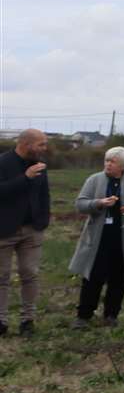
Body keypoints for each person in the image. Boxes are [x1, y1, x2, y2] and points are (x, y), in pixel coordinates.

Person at [69, 146, 124, 327]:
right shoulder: (94, 180)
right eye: (106, 160)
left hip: (123, 239)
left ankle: (111, 315)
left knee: (119, 278)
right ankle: (83, 315)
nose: (107, 164)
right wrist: (98, 203)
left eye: (112, 162)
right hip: (98, 238)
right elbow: (80, 204)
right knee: (93, 276)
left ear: (123, 165)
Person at [0, 128, 51, 338]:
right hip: (4, 230)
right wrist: (25, 178)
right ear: (26, 144)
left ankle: (27, 320)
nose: (44, 148)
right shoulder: (3, 163)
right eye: (41, 144)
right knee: (1, 277)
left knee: (30, 274)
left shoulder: (39, 166)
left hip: (32, 230)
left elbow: (44, 194)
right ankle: (1, 322)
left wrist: (44, 219)